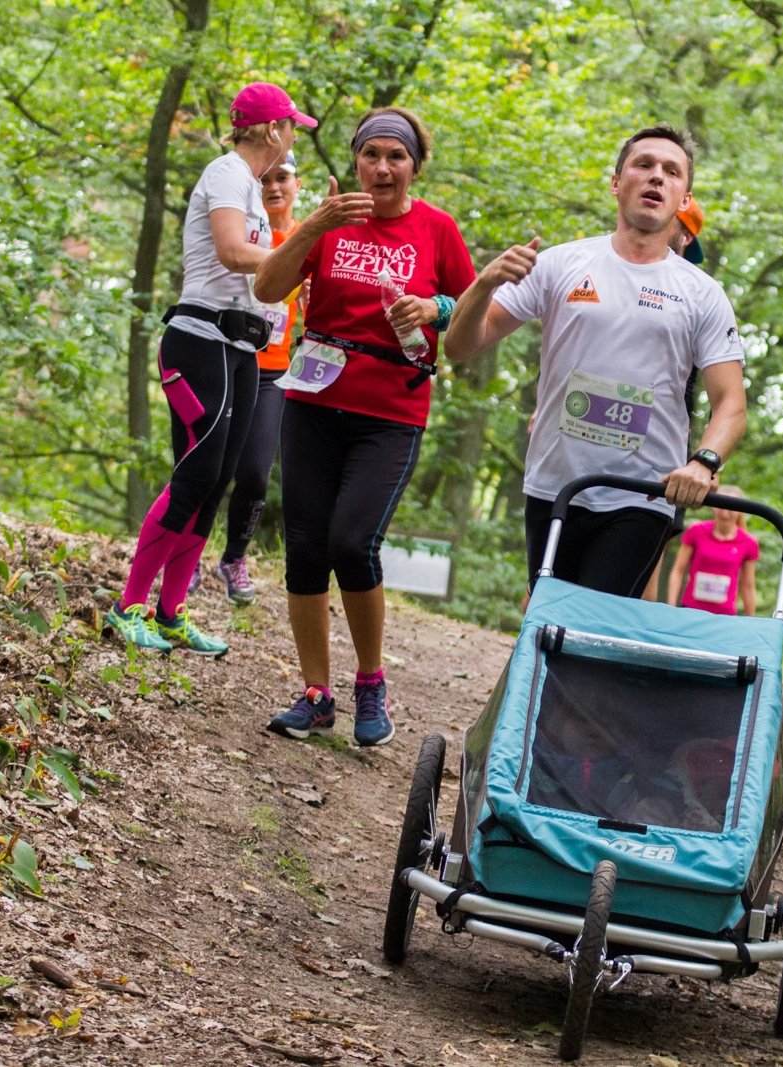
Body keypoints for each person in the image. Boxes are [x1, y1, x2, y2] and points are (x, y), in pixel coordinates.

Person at [252, 107, 476, 746]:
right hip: (314, 399)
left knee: (352, 542)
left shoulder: (436, 229)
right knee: (304, 548)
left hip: (391, 410)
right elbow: (268, 287)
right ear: (356, 161)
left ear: (413, 166)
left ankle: (371, 684)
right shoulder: (330, 220)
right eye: (371, 154)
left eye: (395, 156)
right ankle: (316, 695)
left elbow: (473, 312)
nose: (382, 167)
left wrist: (435, 306)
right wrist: (310, 226)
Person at [446, 125, 747, 598]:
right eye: (643, 165)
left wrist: (703, 463)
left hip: (644, 495)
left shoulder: (702, 294)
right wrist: (482, 286)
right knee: (547, 617)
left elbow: (731, 402)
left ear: (683, 198)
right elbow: (461, 347)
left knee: (589, 623)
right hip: (554, 486)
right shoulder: (560, 264)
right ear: (615, 182)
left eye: (671, 172)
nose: (656, 178)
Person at [105, 83, 312, 656]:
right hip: (201, 341)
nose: (294, 136)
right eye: (292, 126)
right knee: (195, 474)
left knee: (217, 481)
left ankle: (171, 614)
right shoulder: (227, 173)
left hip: (241, 347)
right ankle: (128, 608)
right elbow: (229, 250)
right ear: (273, 131)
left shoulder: (249, 186)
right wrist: (297, 252)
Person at [206, 151, 306, 606]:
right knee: (208, 467)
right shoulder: (238, 229)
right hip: (227, 358)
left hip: (273, 372)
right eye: (266, 178)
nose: (274, 186)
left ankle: (233, 558)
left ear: (297, 185)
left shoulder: (308, 237)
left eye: (283, 177)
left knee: (253, 474)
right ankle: (183, 557)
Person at [642, 197, 707, 601]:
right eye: (680, 234)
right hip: (591, 428)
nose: (682, 246)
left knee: (653, 540)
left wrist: (703, 458)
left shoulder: (697, 295)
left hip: (664, 437)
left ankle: (632, 645)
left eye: (686, 239)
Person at [666, 486, 759, 616]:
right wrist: (671, 608)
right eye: (721, 507)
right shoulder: (696, 531)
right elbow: (678, 570)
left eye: (732, 509)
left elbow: (748, 586)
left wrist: (752, 622)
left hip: (724, 615)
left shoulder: (748, 543)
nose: (725, 513)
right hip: (690, 610)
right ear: (714, 507)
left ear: (740, 511)